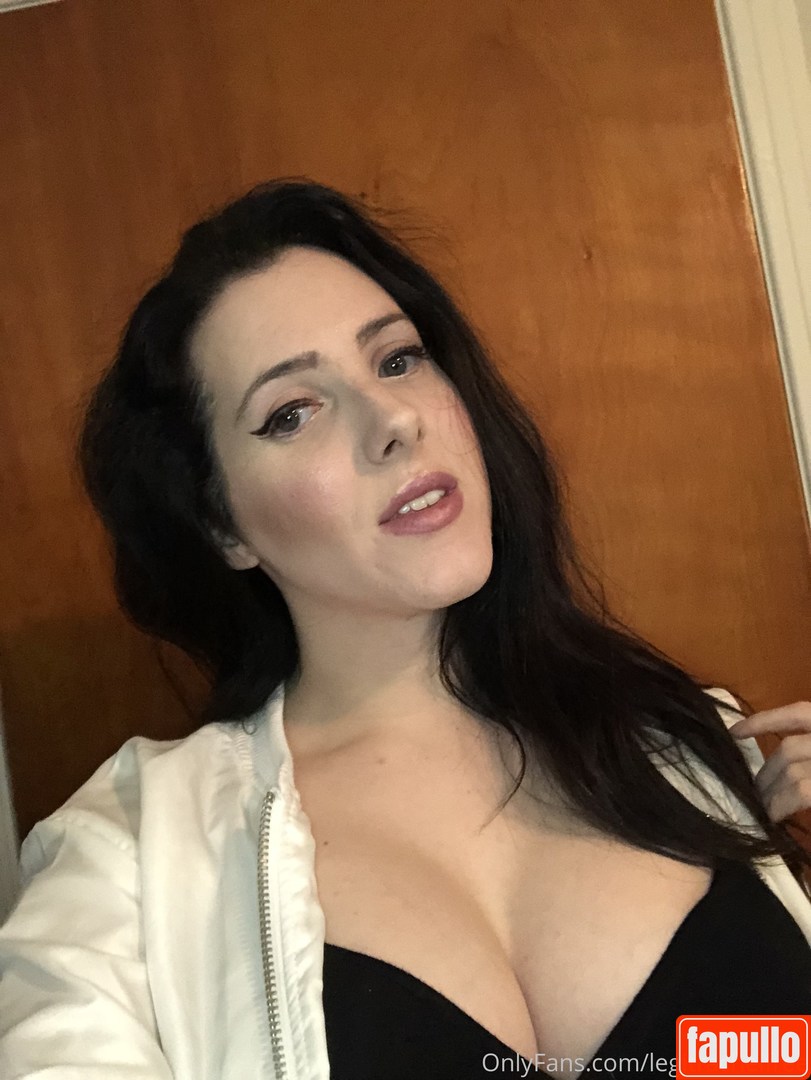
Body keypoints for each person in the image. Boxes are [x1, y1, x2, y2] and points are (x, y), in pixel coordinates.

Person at [0, 178, 809, 1080]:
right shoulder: (130, 865)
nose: (393, 420)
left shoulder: (687, 744)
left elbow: (760, 1059)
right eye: (291, 412)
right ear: (222, 524)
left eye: (396, 360)